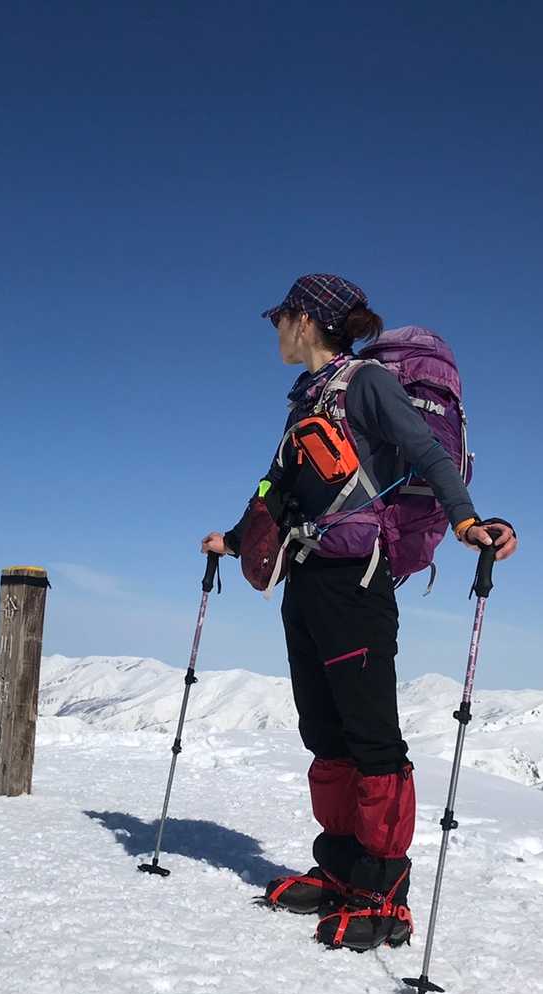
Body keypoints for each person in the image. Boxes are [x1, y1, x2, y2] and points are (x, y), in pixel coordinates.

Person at [201, 273, 517, 952]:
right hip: (307, 577)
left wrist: (466, 522)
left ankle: (384, 892)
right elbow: (277, 487)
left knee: (372, 738)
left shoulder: (366, 382)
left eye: (280, 317)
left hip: (357, 582)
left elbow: (425, 450)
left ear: (305, 320)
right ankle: (341, 870)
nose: (274, 329)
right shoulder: (307, 397)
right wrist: (233, 540)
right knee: (325, 732)